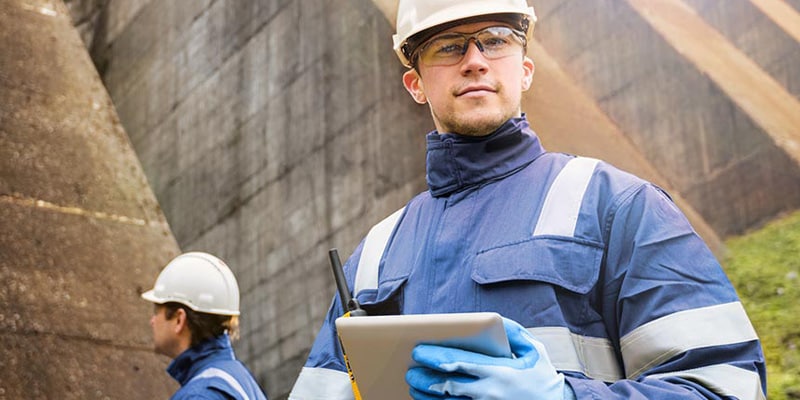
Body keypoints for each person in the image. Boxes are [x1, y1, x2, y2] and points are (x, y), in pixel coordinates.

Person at [290, 0, 767, 399]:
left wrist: (568, 397)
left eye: (496, 40)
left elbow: (725, 388)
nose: (475, 60)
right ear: (416, 84)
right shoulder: (373, 258)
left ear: (525, 70)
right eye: (448, 46)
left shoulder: (615, 205)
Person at [142, 252, 268, 400]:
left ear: (179, 320)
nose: (152, 321)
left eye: (157, 312)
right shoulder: (238, 378)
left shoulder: (200, 395)